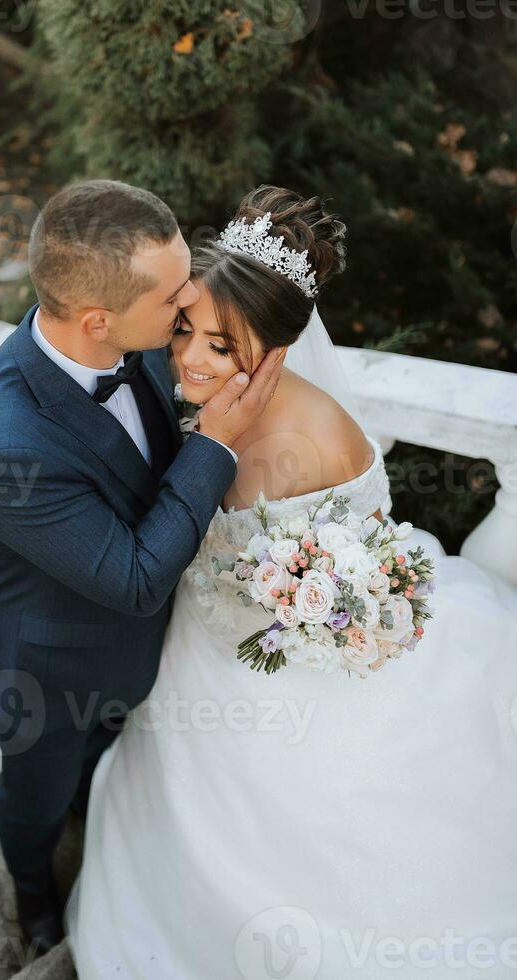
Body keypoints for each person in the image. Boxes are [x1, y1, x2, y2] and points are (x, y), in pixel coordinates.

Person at [65, 185, 517, 980]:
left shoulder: (285, 452)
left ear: (274, 354)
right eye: (184, 331)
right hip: (217, 637)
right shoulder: (224, 398)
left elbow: (260, 575)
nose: (190, 360)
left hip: (278, 651)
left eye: (220, 345)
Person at [0, 179, 287, 957]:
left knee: (108, 765)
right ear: (100, 320)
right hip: (48, 673)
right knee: (36, 799)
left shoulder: (125, 343)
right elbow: (134, 579)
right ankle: (33, 893)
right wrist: (216, 444)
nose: (191, 296)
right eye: (173, 295)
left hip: (143, 658)